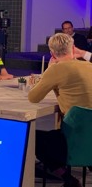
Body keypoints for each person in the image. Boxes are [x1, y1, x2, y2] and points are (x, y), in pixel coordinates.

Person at [28, 33, 92, 187]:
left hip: (73, 139)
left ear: (52, 53)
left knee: (33, 139)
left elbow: (33, 98)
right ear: (72, 49)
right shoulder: (90, 66)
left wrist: (48, 72)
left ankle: (67, 178)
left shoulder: (56, 69)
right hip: (89, 136)